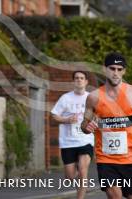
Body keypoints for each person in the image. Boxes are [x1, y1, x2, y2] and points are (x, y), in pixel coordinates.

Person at [81, 52, 132, 199]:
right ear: (104, 69)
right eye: (112, 68)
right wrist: (86, 127)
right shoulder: (94, 97)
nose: (116, 73)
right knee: (115, 196)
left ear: (124, 71)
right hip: (106, 159)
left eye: (119, 69)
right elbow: (84, 124)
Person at [51, 71, 94, 199]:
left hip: (86, 140)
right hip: (68, 142)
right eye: (76, 78)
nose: (79, 80)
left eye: (82, 78)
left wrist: (94, 122)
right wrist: (67, 120)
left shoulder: (91, 98)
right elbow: (54, 115)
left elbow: (100, 115)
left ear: (86, 82)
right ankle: (81, 181)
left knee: (82, 170)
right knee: (70, 176)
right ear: (73, 81)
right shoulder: (66, 98)